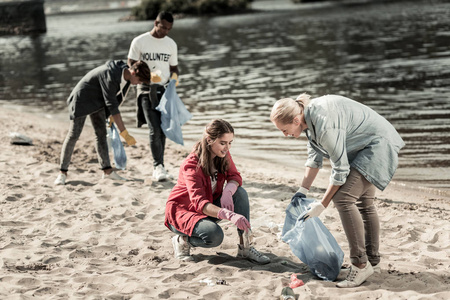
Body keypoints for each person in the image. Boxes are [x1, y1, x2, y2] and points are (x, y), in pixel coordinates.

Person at [270, 93, 405, 288]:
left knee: (343, 199)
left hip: (377, 145)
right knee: (365, 204)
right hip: (362, 146)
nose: (285, 135)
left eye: (285, 130)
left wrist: (322, 205)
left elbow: (340, 170)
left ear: (296, 120)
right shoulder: (307, 119)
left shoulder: (324, 124)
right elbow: (314, 160)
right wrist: (302, 190)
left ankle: (360, 264)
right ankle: (373, 263)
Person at [164, 119, 270, 264]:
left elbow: (235, 177)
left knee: (240, 193)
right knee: (214, 236)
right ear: (209, 140)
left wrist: (227, 192)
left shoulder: (223, 154)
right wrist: (229, 215)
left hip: (207, 205)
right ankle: (182, 240)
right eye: (223, 143)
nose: (227, 148)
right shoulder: (191, 165)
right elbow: (199, 203)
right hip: (184, 211)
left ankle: (245, 247)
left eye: (230, 143)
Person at [54, 60, 151, 185]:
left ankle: (107, 172)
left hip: (97, 102)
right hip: (81, 99)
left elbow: (115, 100)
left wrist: (109, 116)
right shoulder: (111, 75)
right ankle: (62, 173)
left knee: (101, 134)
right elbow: (113, 106)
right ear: (133, 72)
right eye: (140, 80)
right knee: (74, 135)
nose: (140, 83)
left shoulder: (127, 76)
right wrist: (125, 134)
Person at [127, 11, 179, 182]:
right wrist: (144, 76)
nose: (165, 31)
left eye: (169, 29)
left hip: (164, 91)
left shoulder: (171, 44)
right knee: (154, 128)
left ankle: (160, 166)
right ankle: (158, 166)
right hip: (145, 90)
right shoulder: (139, 41)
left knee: (163, 129)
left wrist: (173, 83)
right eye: (163, 27)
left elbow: (174, 69)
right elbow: (131, 64)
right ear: (156, 22)